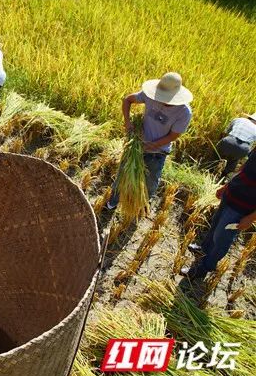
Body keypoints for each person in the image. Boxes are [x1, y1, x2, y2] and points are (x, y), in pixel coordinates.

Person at [107, 72, 193, 209]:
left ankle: (142, 205)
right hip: (136, 145)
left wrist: (150, 146)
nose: (161, 100)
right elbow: (127, 100)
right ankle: (114, 200)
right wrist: (127, 122)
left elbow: (173, 136)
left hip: (158, 152)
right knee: (123, 173)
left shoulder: (184, 112)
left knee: (150, 182)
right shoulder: (151, 95)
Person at [182, 148, 256, 279]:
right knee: (215, 226)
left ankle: (204, 268)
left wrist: (251, 218)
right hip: (231, 195)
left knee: (221, 238)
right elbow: (245, 167)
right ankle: (203, 249)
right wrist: (227, 185)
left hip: (242, 207)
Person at [216, 113, 256, 177]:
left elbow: (224, 132)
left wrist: (221, 143)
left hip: (229, 140)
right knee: (233, 161)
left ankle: (209, 170)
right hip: (243, 148)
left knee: (216, 156)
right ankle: (223, 177)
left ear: (250, 118)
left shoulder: (238, 119)